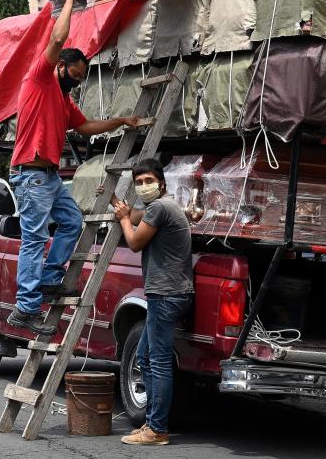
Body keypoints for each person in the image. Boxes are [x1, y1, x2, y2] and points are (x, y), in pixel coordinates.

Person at [6, 0, 141, 336]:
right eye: (75, 76)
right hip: (31, 174)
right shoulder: (39, 79)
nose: (76, 83)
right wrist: (67, 0)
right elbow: (57, 38)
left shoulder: (63, 101)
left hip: (48, 176)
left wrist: (120, 121)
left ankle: (50, 279)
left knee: (71, 223)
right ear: (62, 67)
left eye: (81, 80)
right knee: (34, 238)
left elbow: (85, 127)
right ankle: (25, 307)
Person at [112, 158, 194, 446]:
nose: (143, 186)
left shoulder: (160, 207)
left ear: (161, 183)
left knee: (158, 362)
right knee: (145, 357)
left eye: (148, 181)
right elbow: (138, 217)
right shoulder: (160, 207)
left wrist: (122, 219)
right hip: (167, 294)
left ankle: (157, 429)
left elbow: (134, 241)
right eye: (139, 182)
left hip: (166, 294)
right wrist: (115, 201)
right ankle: (152, 422)